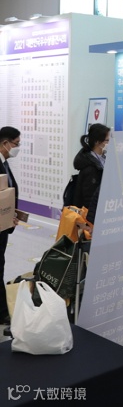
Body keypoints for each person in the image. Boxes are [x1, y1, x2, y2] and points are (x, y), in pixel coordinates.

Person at [0, 126, 20, 325]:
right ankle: (2, 312)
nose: (18, 148)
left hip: (4, 225)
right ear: (5, 143)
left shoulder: (4, 163)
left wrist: (11, 215)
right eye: (16, 144)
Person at [73, 123, 111, 215]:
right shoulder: (89, 168)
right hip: (93, 215)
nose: (109, 143)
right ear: (97, 142)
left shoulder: (104, 158)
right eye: (107, 140)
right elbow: (89, 200)